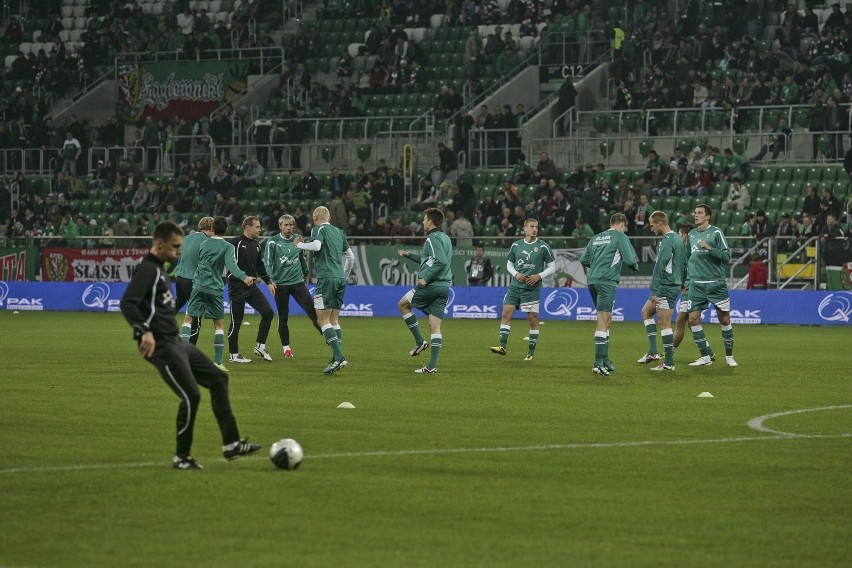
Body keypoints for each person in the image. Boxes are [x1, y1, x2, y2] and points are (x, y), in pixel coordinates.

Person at [120, 221, 261, 470]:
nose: (178, 252)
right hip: (161, 346)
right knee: (191, 396)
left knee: (219, 379)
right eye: (174, 247)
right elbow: (128, 303)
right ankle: (181, 457)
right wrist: (143, 332)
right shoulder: (147, 270)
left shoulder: (161, 270)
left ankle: (232, 443)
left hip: (175, 342)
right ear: (160, 244)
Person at [181, 216, 256, 372]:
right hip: (215, 290)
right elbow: (232, 266)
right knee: (219, 326)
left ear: (212, 229)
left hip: (198, 287)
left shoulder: (203, 243)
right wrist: (245, 277)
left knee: (188, 320)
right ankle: (217, 362)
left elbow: (196, 260)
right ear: (226, 230)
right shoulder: (228, 247)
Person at [294, 206, 355, 374]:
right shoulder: (338, 232)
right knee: (334, 319)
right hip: (340, 279)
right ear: (328, 217)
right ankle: (337, 357)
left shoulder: (318, 229)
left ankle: (339, 356)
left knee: (322, 319)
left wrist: (299, 244)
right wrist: (344, 275)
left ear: (315, 217)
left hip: (326, 278)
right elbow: (351, 257)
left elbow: (316, 246)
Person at [579, 213, 639, 376]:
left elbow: (584, 259)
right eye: (625, 227)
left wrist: (598, 266)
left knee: (606, 319)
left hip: (592, 281)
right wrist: (635, 266)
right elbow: (629, 260)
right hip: (607, 282)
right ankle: (598, 363)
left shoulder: (596, 237)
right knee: (603, 320)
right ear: (622, 225)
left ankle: (605, 359)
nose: (625, 230)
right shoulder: (620, 236)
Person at [490, 218, 556, 361]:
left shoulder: (543, 247)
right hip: (515, 286)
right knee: (505, 314)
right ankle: (502, 346)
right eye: (531, 226)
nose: (534, 229)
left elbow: (552, 267)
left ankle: (530, 353)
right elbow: (509, 265)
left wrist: (539, 275)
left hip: (531, 289)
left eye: (536, 227)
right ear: (525, 229)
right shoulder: (516, 245)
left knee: (532, 319)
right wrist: (516, 274)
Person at [398, 207, 453, 374]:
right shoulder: (445, 238)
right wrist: (408, 255)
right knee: (435, 326)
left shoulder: (432, 238)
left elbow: (441, 262)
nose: (423, 221)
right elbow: (427, 260)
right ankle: (431, 366)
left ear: (430, 222)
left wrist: (426, 278)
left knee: (403, 305)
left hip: (431, 286)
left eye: (424, 219)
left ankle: (420, 342)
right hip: (444, 287)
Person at [685, 204, 737, 367]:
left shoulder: (716, 232)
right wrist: (687, 280)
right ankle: (705, 356)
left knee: (724, 318)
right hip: (696, 284)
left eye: (700, 213)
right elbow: (688, 258)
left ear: (708, 216)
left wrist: (709, 248)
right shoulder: (691, 234)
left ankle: (729, 356)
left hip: (715, 283)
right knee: (693, 320)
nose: (696, 215)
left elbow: (727, 256)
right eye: (695, 213)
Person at [264, 214, 322, 358]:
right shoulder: (273, 242)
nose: (289, 228)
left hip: (297, 283)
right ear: (280, 226)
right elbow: (268, 263)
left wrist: (306, 271)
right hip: (280, 285)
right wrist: (270, 280)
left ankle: (329, 338)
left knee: (313, 312)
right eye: (286, 225)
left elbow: (301, 258)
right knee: (283, 317)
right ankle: (286, 348)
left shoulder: (298, 239)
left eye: (291, 225)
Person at [636, 211, 685, 371]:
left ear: (659, 223)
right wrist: (682, 281)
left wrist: (654, 291)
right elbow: (684, 263)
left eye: (652, 225)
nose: (651, 229)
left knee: (664, 324)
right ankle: (652, 352)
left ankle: (669, 363)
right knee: (646, 312)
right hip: (672, 284)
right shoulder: (678, 238)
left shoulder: (668, 240)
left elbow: (660, 266)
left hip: (665, 286)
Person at [226, 216, 275, 364]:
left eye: (259, 227)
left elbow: (260, 266)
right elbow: (230, 264)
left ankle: (260, 346)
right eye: (257, 227)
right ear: (247, 227)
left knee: (268, 312)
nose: (260, 229)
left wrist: (268, 282)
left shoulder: (257, 245)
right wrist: (242, 277)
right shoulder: (235, 242)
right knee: (236, 321)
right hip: (237, 287)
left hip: (252, 287)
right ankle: (233, 355)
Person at [173, 216, 214, 345]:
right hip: (193, 281)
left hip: (180, 278)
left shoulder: (185, 239)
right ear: (211, 228)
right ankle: (190, 348)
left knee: (179, 302)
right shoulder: (207, 242)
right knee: (195, 317)